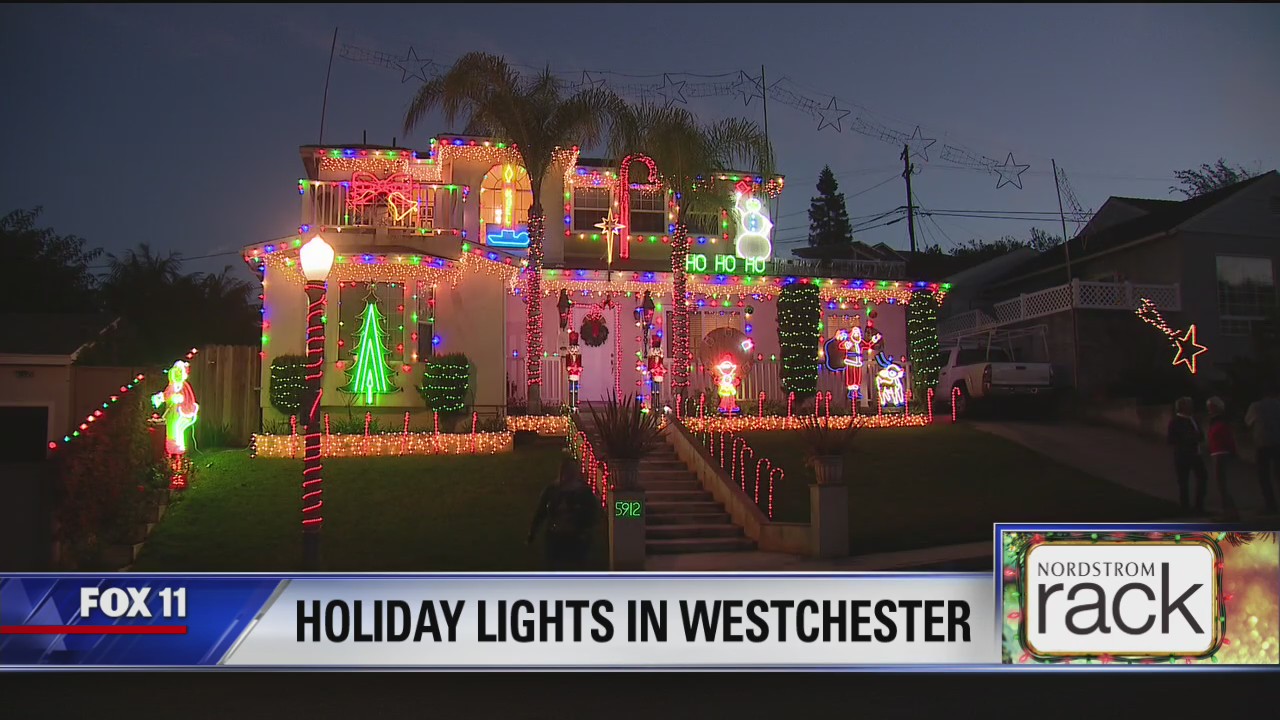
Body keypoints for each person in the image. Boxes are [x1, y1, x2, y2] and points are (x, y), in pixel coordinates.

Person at [527, 455, 599, 570]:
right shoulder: (552, 490)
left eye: (572, 471)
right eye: (567, 471)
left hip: (576, 538)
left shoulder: (584, 492)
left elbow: (592, 515)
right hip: (555, 537)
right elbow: (541, 512)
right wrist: (532, 532)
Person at [1244, 379, 1280, 514]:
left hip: (1262, 443)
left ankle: (1271, 505)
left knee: (1264, 476)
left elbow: (1248, 422)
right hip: (1278, 443)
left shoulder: (1256, 406)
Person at [1166, 397, 1208, 513]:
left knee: (1202, 477)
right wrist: (1188, 439)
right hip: (1183, 455)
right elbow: (1171, 439)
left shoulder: (1193, 419)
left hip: (1195, 454)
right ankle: (1185, 507)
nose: (1192, 406)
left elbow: (1201, 435)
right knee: (1183, 481)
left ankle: (1199, 505)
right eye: (1189, 405)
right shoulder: (1175, 421)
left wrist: (1196, 438)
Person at [1205, 397, 1241, 520]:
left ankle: (1228, 511)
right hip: (1216, 452)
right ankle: (1229, 511)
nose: (1209, 409)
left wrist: (1232, 451)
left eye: (1211, 406)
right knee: (1221, 483)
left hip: (1221, 453)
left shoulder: (1220, 421)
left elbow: (1228, 437)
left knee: (1222, 483)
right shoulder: (1214, 421)